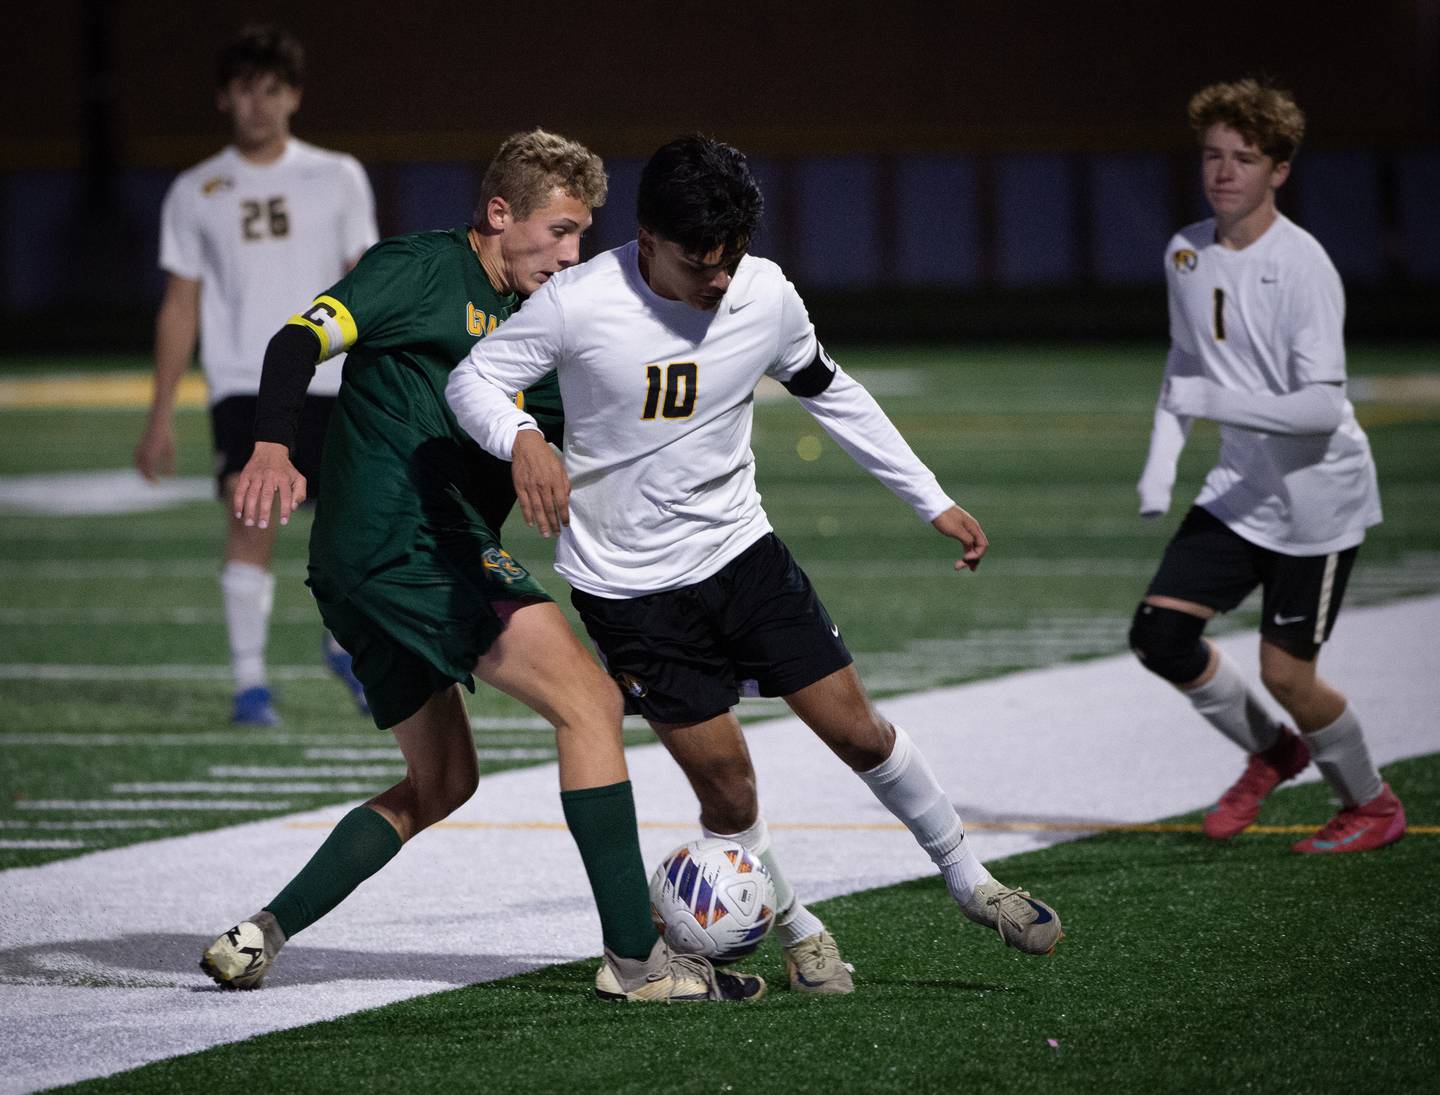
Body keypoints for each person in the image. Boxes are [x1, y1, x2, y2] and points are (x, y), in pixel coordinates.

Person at [446, 134, 1064, 979]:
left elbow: (829, 391)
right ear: (647, 239)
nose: (720, 280)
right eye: (700, 263)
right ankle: (798, 920)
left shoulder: (765, 292)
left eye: (731, 258)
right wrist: (521, 436)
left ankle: (970, 877)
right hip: (629, 589)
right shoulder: (578, 302)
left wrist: (932, 498)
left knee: (858, 729)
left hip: (742, 551)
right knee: (728, 791)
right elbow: (472, 379)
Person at [204, 129, 764, 1004]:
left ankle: (262, 931)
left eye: (584, 234)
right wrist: (272, 442)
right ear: (499, 214)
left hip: (361, 568)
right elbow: (293, 343)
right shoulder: (417, 269)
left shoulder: (551, 321)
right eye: (560, 229)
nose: (574, 251)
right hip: (409, 539)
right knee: (589, 703)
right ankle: (637, 962)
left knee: (444, 780)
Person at [1129, 79, 1404, 853]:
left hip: (1318, 500)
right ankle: (1275, 752)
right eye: (1213, 155)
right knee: (1160, 636)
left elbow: (1319, 408)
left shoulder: (1304, 266)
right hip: (1241, 488)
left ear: (1279, 170)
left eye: (1244, 159)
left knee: (1288, 676)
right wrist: (1162, 462)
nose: (1224, 172)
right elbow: (1186, 361)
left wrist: (1213, 401)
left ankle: (1373, 804)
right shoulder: (1185, 250)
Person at [134, 25, 377, 726]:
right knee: (253, 524)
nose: (259, 104)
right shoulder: (194, 190)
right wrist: (158, 417)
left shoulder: (338, 174)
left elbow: (367, 282)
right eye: (246, 89)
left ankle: (342, 643)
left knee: (350, 530)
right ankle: (250, 685)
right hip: (243, 382)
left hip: (331, 378)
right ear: (223, 97)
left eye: (273, 88)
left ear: (294, 95)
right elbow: (180, 305)